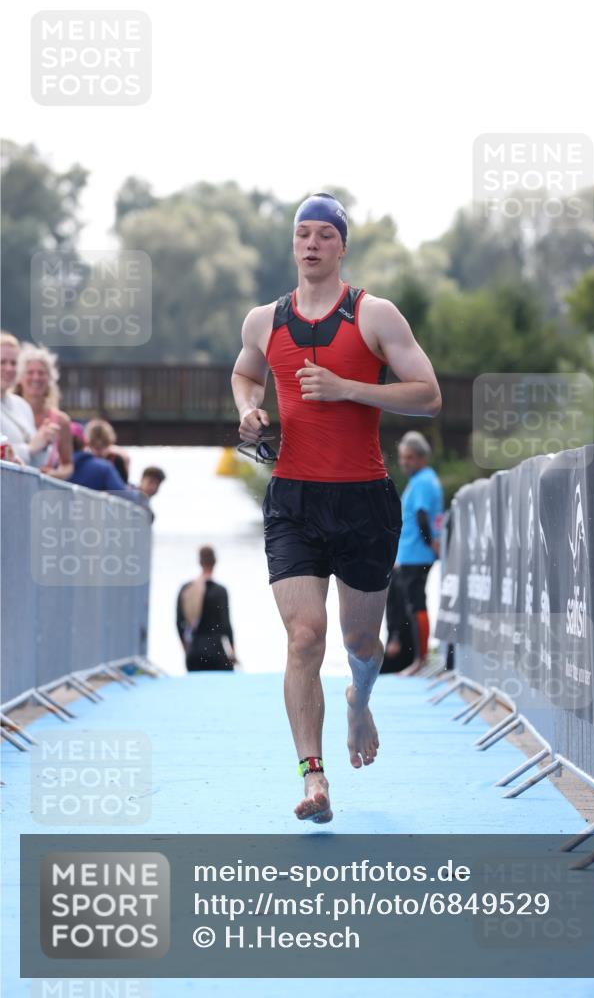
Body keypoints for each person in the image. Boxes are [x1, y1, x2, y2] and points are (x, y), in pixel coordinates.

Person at [231, 192, 441, 823]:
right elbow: (245, 373)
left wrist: (350, 387)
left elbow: (428, 394)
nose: (313, 244)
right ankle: (313, 777)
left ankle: (359, 700)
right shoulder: (263, 321)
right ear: (293, 244)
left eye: (325, 234)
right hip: (293, 498)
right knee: (304, 638)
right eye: (303, 234)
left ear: (342, 246)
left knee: (360, 640)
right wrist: (248, 411)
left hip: (363, 501)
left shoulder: (373, 315)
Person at [394, 431, 444, 677]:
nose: (404, 462)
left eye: (410, 457)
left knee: (416, 604)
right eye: (402, 457)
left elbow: (422, 516)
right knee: (414, 604)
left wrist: (430, 543)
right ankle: (419, 658)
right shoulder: (423, 479)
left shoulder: (423, 481)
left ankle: (421, 659)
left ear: (422, 457)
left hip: (418, 554)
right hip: (412, 553)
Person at [15, 342, 74, 480]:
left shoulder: (60, 421)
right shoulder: (6, 412)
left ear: (50, 379)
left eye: (41, 373)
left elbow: (68, 465)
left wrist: (54, 474)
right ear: (19, 377)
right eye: (30, 372)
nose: (36, 377)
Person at [0, 332, 59, 468]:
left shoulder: (22, 406)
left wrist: (44, 442)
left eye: (13, 363)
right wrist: (30, 448)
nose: (9, 368)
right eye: (2, 362)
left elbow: (36, 464)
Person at [176, 546, 237, 671]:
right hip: (216, 651)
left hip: (193, 652)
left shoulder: (186, 589)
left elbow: (178, 623)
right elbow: (226, 625)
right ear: (214, 562)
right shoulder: (220, 591)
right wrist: (233, 652)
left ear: (199, 562)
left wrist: (187, 650)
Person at [381, 565, 420, 673]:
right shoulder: (396, 574)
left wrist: (395, 637)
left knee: (380, 671)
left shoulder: (399, 576)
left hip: (401, 640)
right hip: (400, 635)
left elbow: (399, 609)